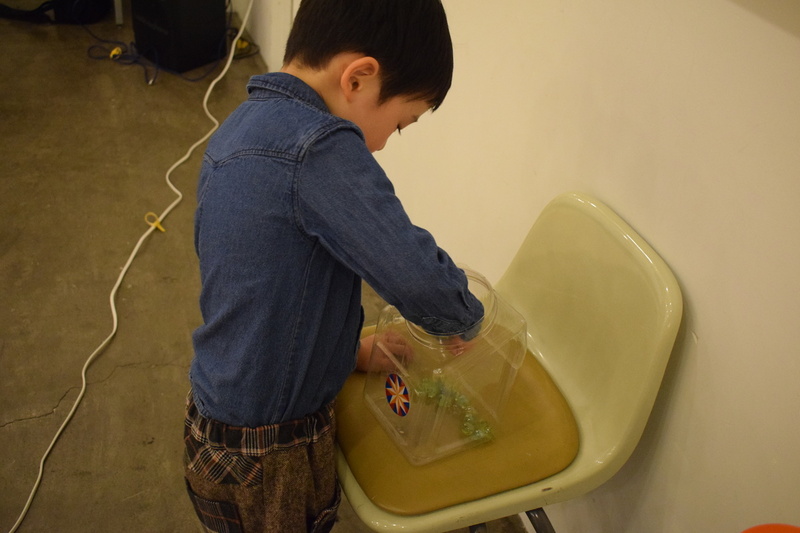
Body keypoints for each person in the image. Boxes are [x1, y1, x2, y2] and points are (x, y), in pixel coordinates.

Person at [183, 0, 484, 531]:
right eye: (401, 123)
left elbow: (267, 292)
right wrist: (466, 317)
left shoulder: (239, 129)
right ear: (358, 78)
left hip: (218, 431)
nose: (384, 143)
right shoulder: (319, 147)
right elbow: (414, 273)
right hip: (273, 457)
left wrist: (348, 353)